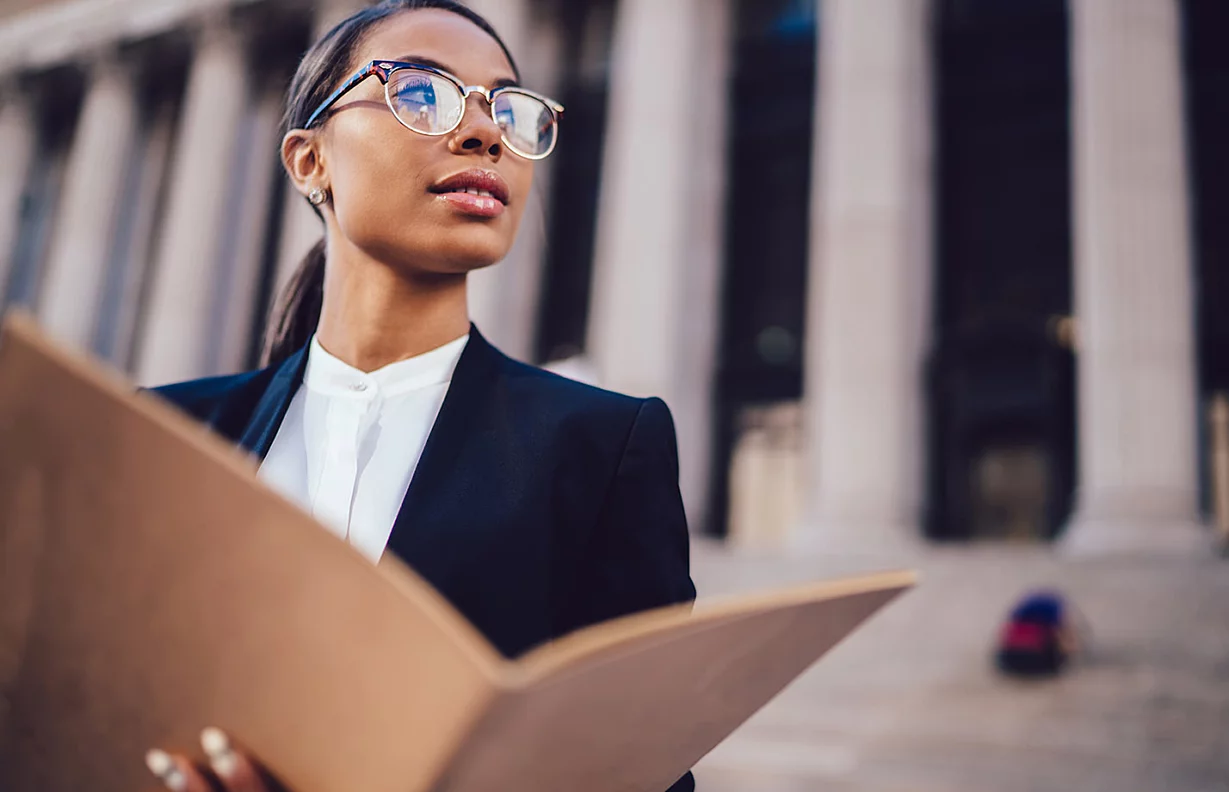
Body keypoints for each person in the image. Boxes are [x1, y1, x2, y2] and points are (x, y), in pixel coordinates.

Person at [140, 2, 697, 790]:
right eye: (422, 92)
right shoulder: (164, 436)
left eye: (508, 108)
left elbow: (644, 773)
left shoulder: (601, 449)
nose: (484, 133)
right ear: (309, 161)